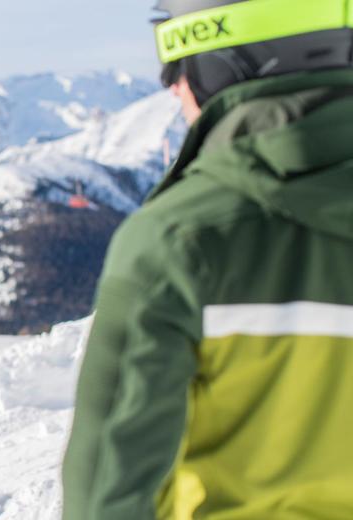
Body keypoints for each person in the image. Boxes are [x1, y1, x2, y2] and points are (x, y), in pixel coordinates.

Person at [63, 1, 353, 518]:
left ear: (225, 61)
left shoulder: (178, 241)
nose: (172, 88)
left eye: (177, 64)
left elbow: (110, 487)